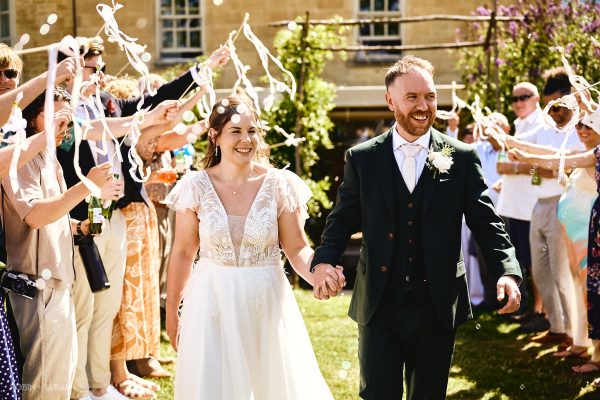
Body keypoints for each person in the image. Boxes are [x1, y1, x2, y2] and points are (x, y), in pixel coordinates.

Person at [310, 55, 522, 399]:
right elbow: (342, 219)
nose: (424, 106)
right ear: (390, 100)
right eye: (412, 98)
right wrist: (322, 262)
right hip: (379, 303)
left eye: (431, 96)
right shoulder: (362, 158)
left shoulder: (462, 156)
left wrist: (507, 270)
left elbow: (486, 222)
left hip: (437, 304)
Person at [164, 96, 333, 400]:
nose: (246, 140)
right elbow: (182, 253)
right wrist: (173, 313)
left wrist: (318, 272)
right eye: (235, 131)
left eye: (252, 131)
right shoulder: (195, 186)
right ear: (215, 136)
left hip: (265, 300)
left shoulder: (279, 184)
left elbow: (296, 248)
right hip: (211, 302)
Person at [2, 88, 113, 400]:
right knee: (45, 385)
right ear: (31, 118)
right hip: (37, 283)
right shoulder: (18, 158)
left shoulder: (49, 157)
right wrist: (87, 185)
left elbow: (53, 214)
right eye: (57, 117)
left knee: (61, 378)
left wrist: (80, 227)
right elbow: (35, 216)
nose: (65, 125)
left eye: (68, 117)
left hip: (60, 278)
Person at [508, 106, 600, 384]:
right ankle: (574, 336)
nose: (581, 130)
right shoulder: (557, 139)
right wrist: (520, 151)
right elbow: (552, 162)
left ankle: (574, 337)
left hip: (579, 226)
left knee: (578, 285)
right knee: (564, 280)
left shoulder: (587, 150)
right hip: (553, 213)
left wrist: (527, 160)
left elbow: (559, 164)